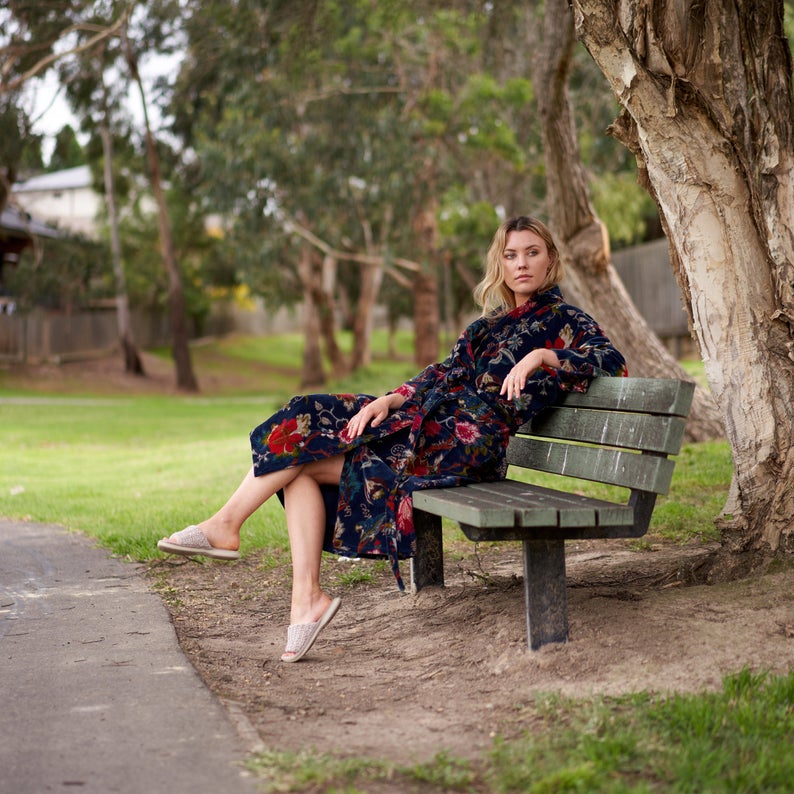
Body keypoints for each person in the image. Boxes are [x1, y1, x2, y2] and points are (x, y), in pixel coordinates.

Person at [158, 215, 628, 662]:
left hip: (466, 444)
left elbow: (613, 363)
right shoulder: (486, 325)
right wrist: (391, 399)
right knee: (304, 422)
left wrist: (543, 356)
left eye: (532, 252)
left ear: (551, 260)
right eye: (511, 254)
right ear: (499, 263)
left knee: (299, 458)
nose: (521, 263)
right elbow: (442, 372)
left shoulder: (565, 320)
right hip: (427, 423)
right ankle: (303, 599)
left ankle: (242, 542)